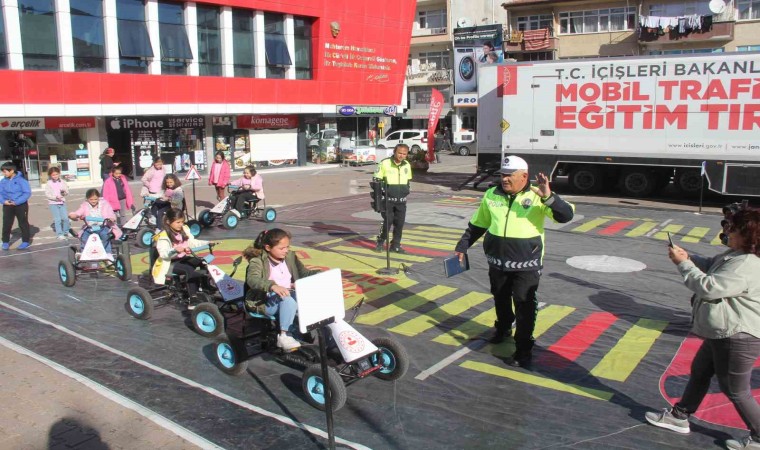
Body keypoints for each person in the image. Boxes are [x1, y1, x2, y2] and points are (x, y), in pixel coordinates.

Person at [645, 208, 760, 450]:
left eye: (733, 228)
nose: (727, 231)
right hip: (723, 332)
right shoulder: (737, 255)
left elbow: (709, 287)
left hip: (737, 336)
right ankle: (679, 416)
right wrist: (690, 258)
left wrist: (683, 265)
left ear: (748, 236)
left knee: (735, 389)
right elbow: (713, 266)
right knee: (699, 371)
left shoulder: (747, 264)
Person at [454, 156, 575, 367]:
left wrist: (549, 197)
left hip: (526, 264)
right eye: (503, 175)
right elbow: (479, 224)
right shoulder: (492, 194)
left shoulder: (539, 195)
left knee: (524, 304)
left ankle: (523, 348)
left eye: (510, 175)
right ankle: (502, 329)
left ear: (524, 176)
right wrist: (462, 246)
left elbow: (566, 216)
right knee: (500, 297)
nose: (505, 179)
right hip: (497, 261)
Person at [243, 228, 321, 351]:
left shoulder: (290, 257)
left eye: (287, 247)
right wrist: (272, 286)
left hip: (287, 294)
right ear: (268, 248)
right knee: (288, 300)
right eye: (281, 248)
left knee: (312, 299)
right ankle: (284, 336)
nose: (286, 251)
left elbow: (304, 273)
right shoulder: (257, 261)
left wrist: (321, 274)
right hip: (264, 301)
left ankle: (327, 334)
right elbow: (252, 280)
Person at [151, 207, 211, 310]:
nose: (181, 225)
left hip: (182, 258)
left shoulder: (184, 230)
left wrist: (207, 243)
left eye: (182, 222)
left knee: (202, 262)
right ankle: (192, 299)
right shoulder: (164, 236)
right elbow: (164, 254)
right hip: (169, 263)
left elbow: (192, 242)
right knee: (189, 270)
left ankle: (205, 286)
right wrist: (175, 250)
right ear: (169, 222)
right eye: (178, 222)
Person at [374, 144, 412, 254]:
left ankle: (395, 245)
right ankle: (381, 241)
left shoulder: (407, 165)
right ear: (394, 152)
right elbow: (376, 180)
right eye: (399, 153)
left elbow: (408, 180)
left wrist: (406, 191)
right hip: (388, 200)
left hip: (401, 201)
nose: (401, 155)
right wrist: (381, 196)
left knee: (399, 224)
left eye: (404, 154)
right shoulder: (385, 163)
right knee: (388, 222)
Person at [68, 188, 120, 254]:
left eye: (95, 199)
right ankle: (84, 253)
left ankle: (108, 253)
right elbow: (79, 212)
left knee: (105, 236)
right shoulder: (85, 206)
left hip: (102, 226)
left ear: (98, 198)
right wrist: (73, 215)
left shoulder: (104, 205)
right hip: (90, 228)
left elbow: (110, 213)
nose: (93, 201)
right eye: (91, 199)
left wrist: (111, 218)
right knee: (84, 237)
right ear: (87, 199)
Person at [0, 162, 32, 250]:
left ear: (12, 171)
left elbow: (27, 193)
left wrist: (17, 202)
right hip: (8, 205)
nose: (4, 173)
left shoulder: (21, 180)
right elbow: (0, 193)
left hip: (20, 205)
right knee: (6, 223)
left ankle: (25, 241)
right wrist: (4, 201)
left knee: (23, 223)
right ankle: (5, 241)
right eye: (3, 171)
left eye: (5, 171)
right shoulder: (3, 181)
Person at [45, 166, 71, 241]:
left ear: (59, 174)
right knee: (57, 219)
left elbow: (66, 191)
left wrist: (64, 193)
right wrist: (55, 197)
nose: (55, 176)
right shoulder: (49, 183)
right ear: (50, 175)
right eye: (53, 175)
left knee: (65, 218)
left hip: (62, 202)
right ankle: (59, 234)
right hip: (53, 203)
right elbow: (47, 194)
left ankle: (66, 231)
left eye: (56, 174)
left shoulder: (62, 182)